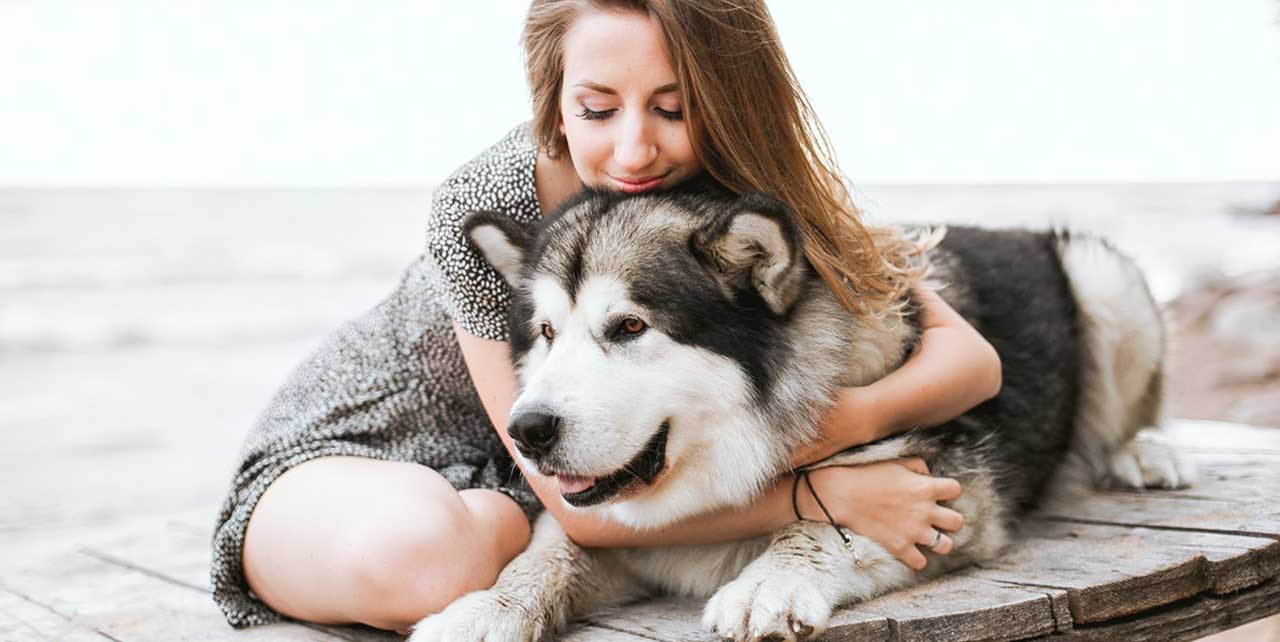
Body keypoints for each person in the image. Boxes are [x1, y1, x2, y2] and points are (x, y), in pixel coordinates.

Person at [210, 0, 1002, 634]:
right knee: (432, 559)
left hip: (544, 475)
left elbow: (970, 363)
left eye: (672, 108)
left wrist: (840, 432)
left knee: (484, 532)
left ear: (730, 103)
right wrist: (825, 495)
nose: (634, 151)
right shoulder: (486, 204)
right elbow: (578, 516)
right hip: (356, 466)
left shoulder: (743, 192)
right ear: (553, 103)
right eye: (596, 109)